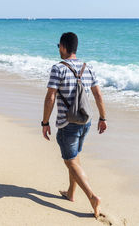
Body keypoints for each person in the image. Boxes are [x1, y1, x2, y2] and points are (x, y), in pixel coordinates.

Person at [41, 32, 107, 218]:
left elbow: (50, 97)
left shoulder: (58, 68)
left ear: (63, 47)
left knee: (70, 161)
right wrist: (103, 118)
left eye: (58, 47)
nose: (58, 50)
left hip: (67, 123)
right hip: (86, 121)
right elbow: (98, 95)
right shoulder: (89, 68)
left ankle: (92, 197)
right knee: (75, 158)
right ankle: (71, 193)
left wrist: (45, 122)